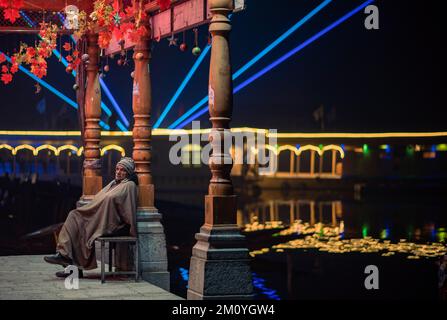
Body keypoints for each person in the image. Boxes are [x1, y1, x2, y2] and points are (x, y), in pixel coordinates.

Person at [44, 157, 138, 277]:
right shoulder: (114, 184)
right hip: (99, 218)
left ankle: (67, 259)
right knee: (74, 219)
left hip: (111, 223)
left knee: (76, 218)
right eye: (117, 169)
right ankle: (66, 259)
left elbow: (129, 208)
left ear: (128, 172)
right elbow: (98, 200)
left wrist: (132, 231)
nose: (118, 172)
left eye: (123, 170)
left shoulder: (129, 185)